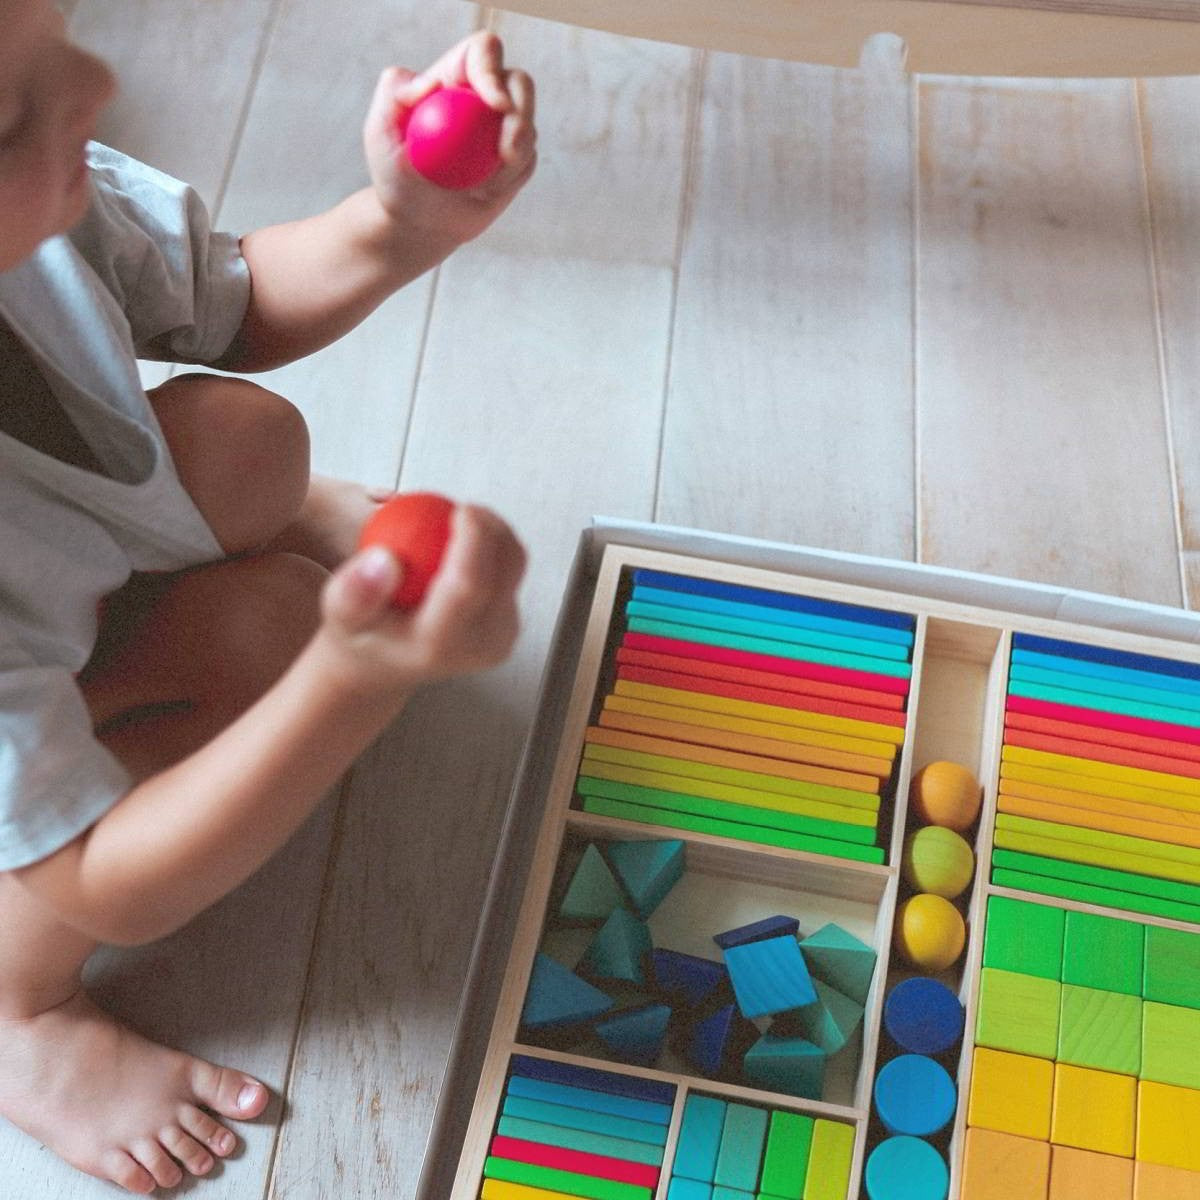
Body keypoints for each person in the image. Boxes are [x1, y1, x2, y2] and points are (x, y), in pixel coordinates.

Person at [0, 2, 534, 1193]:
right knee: (271, 645)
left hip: (41, 588)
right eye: (7, 111)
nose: (90, 84)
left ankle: (169, 553)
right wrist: (355, 678)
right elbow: (106, 878)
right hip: (37, 839)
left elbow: (227, 297)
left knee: (246, 443)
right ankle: (19, 1018)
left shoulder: (33, 218)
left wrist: (398, 224)